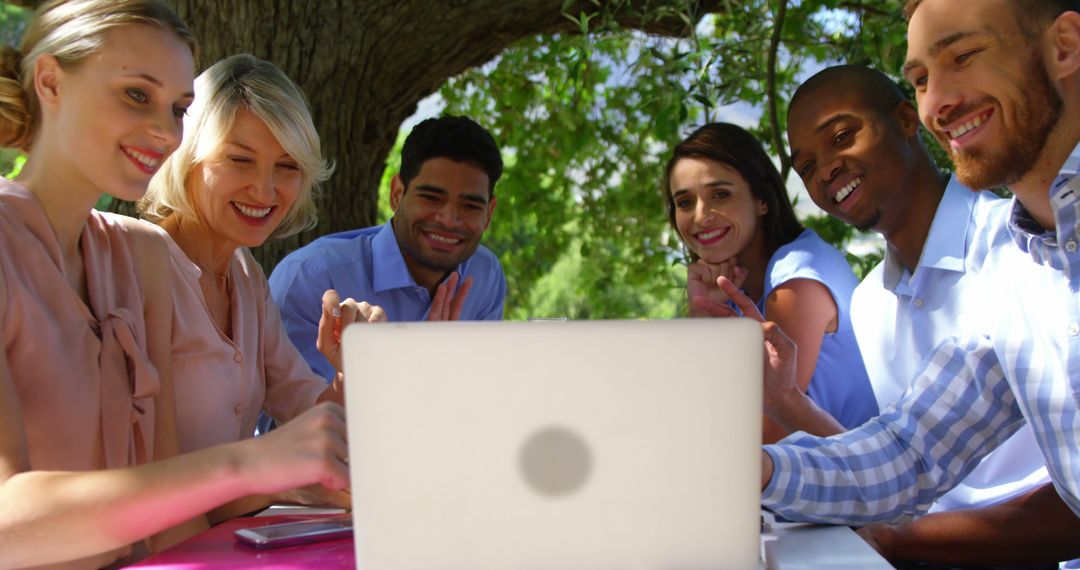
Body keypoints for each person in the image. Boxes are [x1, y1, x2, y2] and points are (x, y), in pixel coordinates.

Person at [0, 2, 347, 567]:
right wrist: (254, 466)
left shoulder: (140, 251)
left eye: (178, 107)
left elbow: (167, 518)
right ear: (49, 82)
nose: (164, 130)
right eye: (137, 94)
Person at [744, 0, 1080, 566]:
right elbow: (911, 450)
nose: (938, 104)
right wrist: (750, 468)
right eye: (921, 80)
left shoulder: (995, 253)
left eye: (964, 56)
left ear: (1065, 45)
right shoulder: (1015, 270)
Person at [786, 65, 1051, 521]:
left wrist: (900, 539)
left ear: (908, 120)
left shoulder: (1019, 248)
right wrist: (781, 402)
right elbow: (902, 458)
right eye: (807, 167)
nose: (827, 169)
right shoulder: (868, 303)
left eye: (842, 136)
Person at [139, 54, 380, 521]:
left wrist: (353, 367)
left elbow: (303, 407)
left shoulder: (247, 275)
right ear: (186, 155)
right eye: (239, 159)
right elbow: (142, 474)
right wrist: (289, 485)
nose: (265, 190)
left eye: (287, 167)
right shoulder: (136, 261)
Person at [664, 122, 878, 443]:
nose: (700, 215)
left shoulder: (797, 275)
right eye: (684, 202)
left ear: (761, 199)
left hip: (857, 485)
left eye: (720, 195)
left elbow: (765, 438)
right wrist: (703, 315)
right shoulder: (739, 289)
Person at [269, 115, 506, 380]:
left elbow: (479, 394)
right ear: (396, 194)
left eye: (471, 205)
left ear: (489, 213)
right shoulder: (310, 280)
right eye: (430, 197)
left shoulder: (485, 276)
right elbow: (288, 419)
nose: (449, 219)